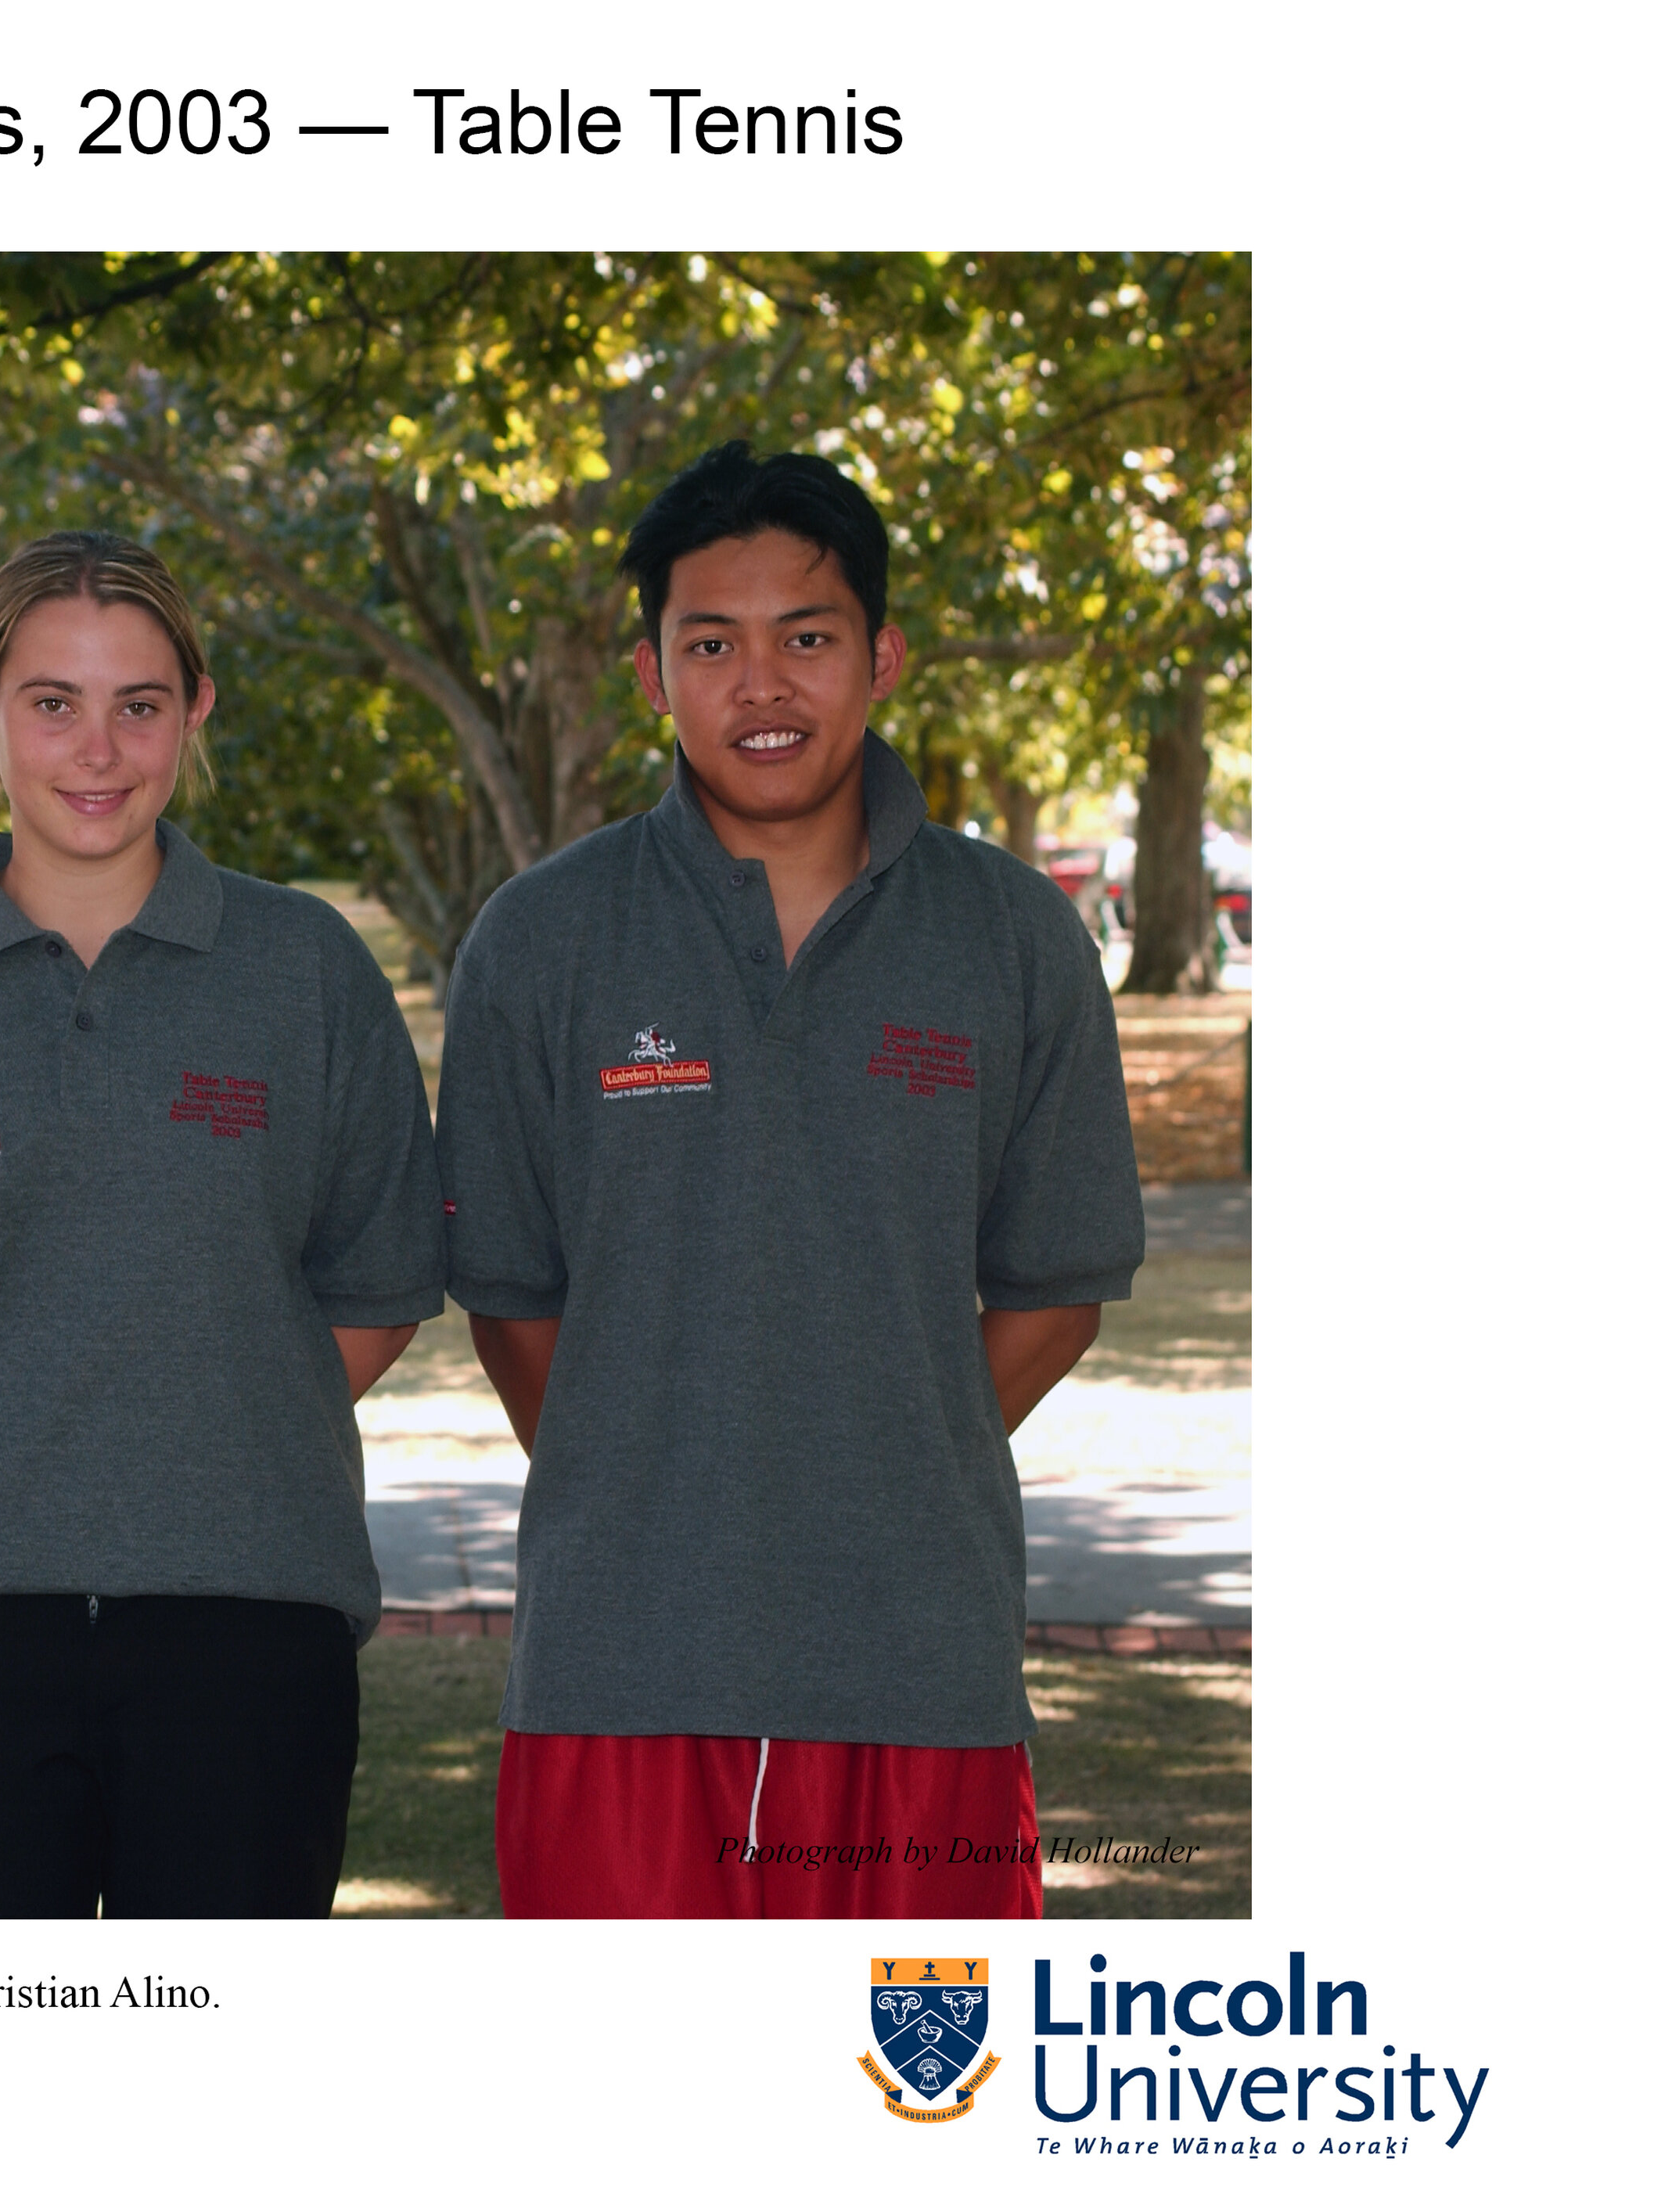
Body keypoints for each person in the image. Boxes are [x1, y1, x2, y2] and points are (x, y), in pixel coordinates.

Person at [435, 442, 1142, 1918]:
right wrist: (667, 1465)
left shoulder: (1013, 938)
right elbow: (510, 1295)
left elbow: (1059, 1287)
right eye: (713, 644)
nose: (762, 685)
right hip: (618, 1672)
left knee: (913, 2115)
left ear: (881, 657)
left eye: (806, 638)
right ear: (653, 673)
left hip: (919, 1667)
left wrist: (873, 1441)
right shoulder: (539, 942)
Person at [0, 531, 446, 1918]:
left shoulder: (307, 973)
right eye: (51, 702)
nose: (98, 749)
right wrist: (6, 1445)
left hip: (251, 1635)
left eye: (139, 703)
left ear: (194, 712)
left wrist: (205, 1428)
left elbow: (373, 1290)